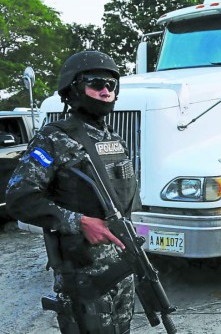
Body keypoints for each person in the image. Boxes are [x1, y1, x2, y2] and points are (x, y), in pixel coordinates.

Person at [6, 51, 138, 333]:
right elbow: (19, 198)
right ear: (74, 88)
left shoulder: (113, 138)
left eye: (111, 85)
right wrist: (78, 222)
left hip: (121, 265)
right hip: (83, 274)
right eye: (96, 83)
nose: (105, 91)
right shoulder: (55, 137)